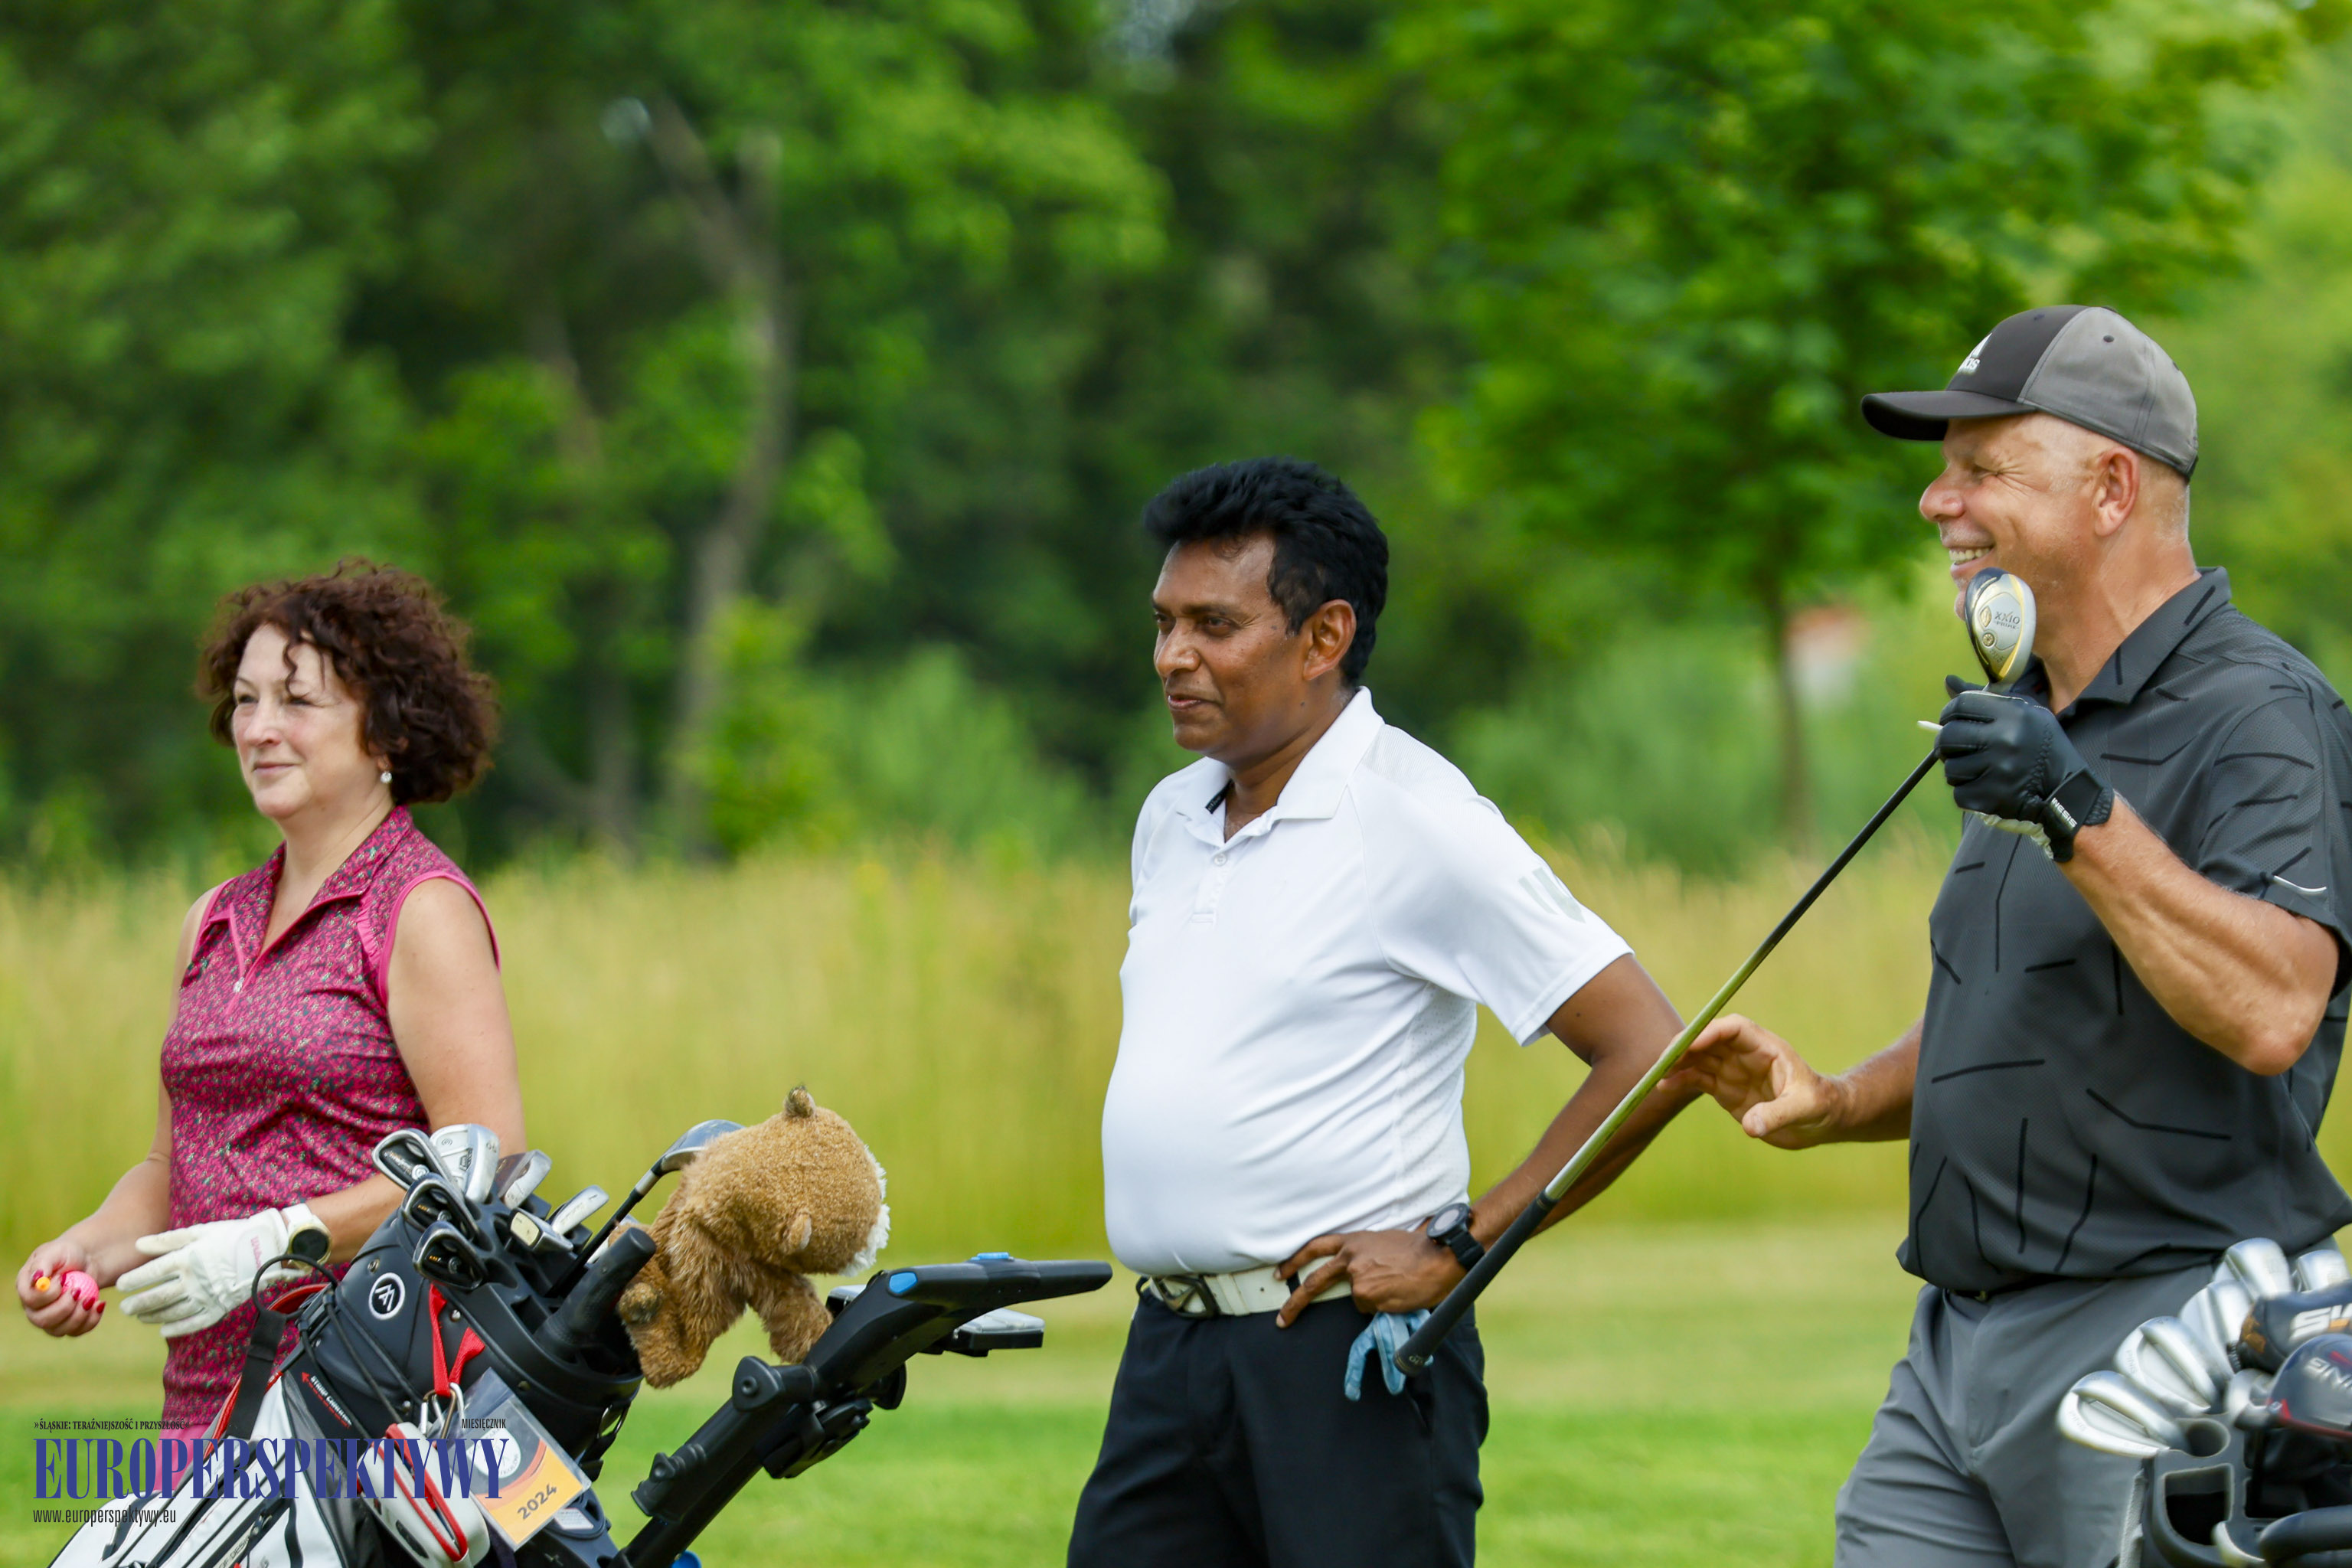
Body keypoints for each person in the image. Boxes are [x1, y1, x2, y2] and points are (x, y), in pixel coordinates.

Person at [1666, 305, 2352, 1567]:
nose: (1938, 502)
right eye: (1942, 470)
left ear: (2108, 487)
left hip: (2164, 1336)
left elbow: (2273, 1010)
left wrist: (2069, 808)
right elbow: (2011, 1013)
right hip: (1950, 1350)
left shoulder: (2261, 712)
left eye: (1982, 470)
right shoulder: (2027, 714)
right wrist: (1837, 1098)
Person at [1067, 458, 1691, 1568]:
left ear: (1323, 637)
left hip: (1345, 1358)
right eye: (1164, 623)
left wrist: (1465, 1245)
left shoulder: (1416, 818)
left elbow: (1648, 1050)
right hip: (1169, 1351)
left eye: (1214, 625)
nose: (1172, 658)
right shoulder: (1171, 814)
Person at [12, 561, 527, 1435]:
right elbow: (175, 1169)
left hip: (365, 1404)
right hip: (205, 1404)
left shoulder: (418, 908)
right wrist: (88, 1248)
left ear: (387, 732)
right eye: (246, 701)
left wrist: (271, 1240)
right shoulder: (211, 919)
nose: (259, 729)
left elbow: (486, 1169)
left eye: (297, 701)